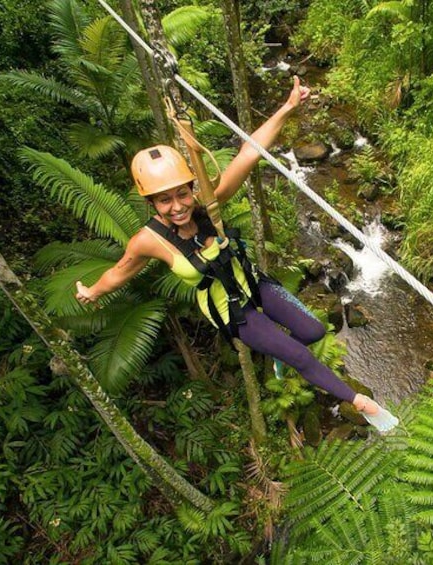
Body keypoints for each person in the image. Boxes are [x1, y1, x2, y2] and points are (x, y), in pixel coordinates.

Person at [75, 77, 398, 432]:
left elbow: (248, 153)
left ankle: (281, 355)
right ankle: (360, 402)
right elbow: (120, 272)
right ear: (150, 202)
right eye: (164, 200)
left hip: (254, 283)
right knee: (299, 355)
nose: (178, 206)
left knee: (314, 330)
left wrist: (288, 107)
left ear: (191, 188)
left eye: (182, 194)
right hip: (232, 311)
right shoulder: (148, 240)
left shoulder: (207, 205)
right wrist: (92, 291)